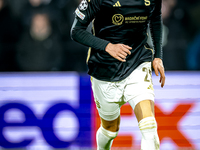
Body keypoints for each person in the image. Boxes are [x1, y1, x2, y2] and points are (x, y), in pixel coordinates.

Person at [71, 0, 165, 149]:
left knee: (149, 126)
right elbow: (76, 30)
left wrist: (158, 56)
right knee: (110, 131)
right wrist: (107, 46)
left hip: (138, 61)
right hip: (104, 68)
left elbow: (155, 17)